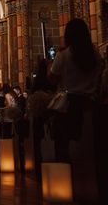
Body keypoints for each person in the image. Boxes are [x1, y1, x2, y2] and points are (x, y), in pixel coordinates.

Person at [48, 18, 102, 202]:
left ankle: (66, 188)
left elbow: (52, 78)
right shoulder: (94, 53)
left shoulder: (64, 55)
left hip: (69, 106)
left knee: (65, 147)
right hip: (92, 105)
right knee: (91, 148)